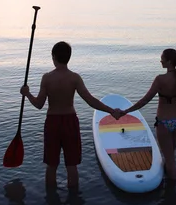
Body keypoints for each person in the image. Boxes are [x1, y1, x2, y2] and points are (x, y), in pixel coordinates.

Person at [20, 41, 121, 188]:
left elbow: (39, 105)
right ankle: (74, 198)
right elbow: (90, 100)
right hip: (70, 123)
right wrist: (111, 111)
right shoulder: (74, 78)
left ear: (53, 57)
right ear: (69, 57)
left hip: (52, 123)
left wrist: (27, 93)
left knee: (51, 165)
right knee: (72, 165)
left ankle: (51, 199)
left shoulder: (47, 78)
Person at [120, 48, 176, 180]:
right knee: (169, 156)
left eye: (162, 58)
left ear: (168, 62)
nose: (160, 61)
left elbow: (145, 100)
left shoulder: (160, 79)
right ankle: (167, 179)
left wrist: (126, 111)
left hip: (164, 123)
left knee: (170, 161)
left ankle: (172, 195)